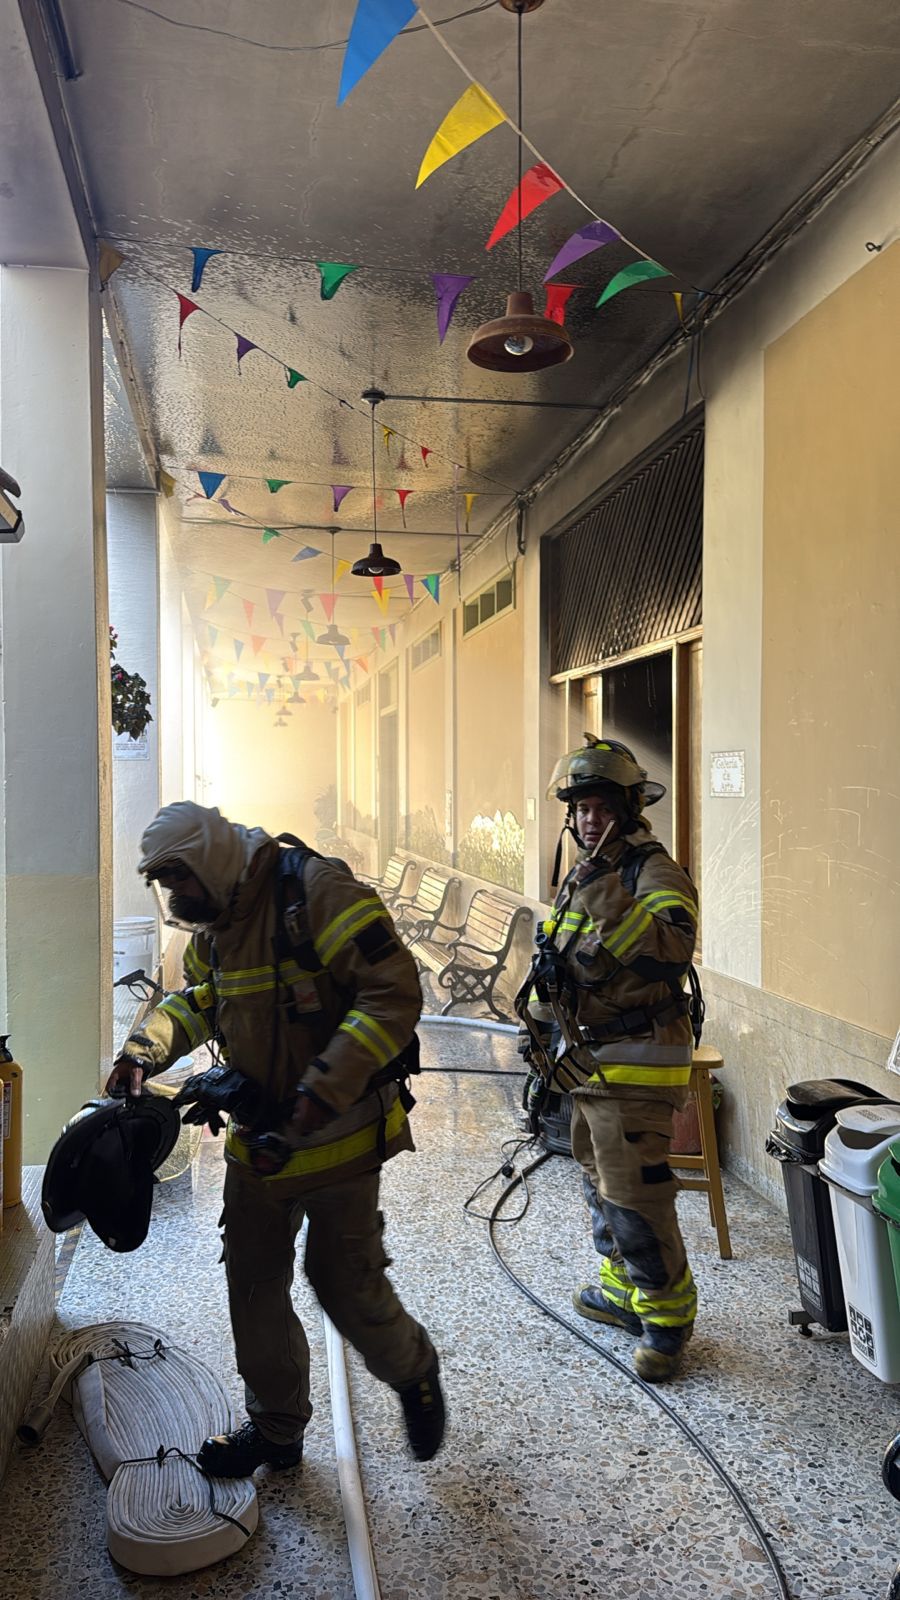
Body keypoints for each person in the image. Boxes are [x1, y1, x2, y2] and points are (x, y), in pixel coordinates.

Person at [107, 800, 445, 1474]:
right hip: (260, 1140)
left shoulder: (316, 892)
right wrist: (143, 1051)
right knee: (254, 1286)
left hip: (342, 1134)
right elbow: (198, 1000)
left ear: (211, 861)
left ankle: (413, 1370)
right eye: (165, 884)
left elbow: (394, 993)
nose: (177, 897)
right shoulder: (217, 921)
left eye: (182, 881)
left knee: (343, 1282)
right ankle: (277, 1430)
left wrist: (321, 1088)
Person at [516, 737, 700, 1382]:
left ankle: (667, 1321)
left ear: (627, 808)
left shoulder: (649, 872)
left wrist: (606, 896)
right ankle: (624, 1292)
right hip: (591, 1062)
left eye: (600, 807)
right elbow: (568, 962)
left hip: (639, 1060)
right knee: (599, 1183)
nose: (589, 819)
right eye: (581, 809)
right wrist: (539, 1022)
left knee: (635, 1194)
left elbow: (671, 951)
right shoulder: (587, 874)